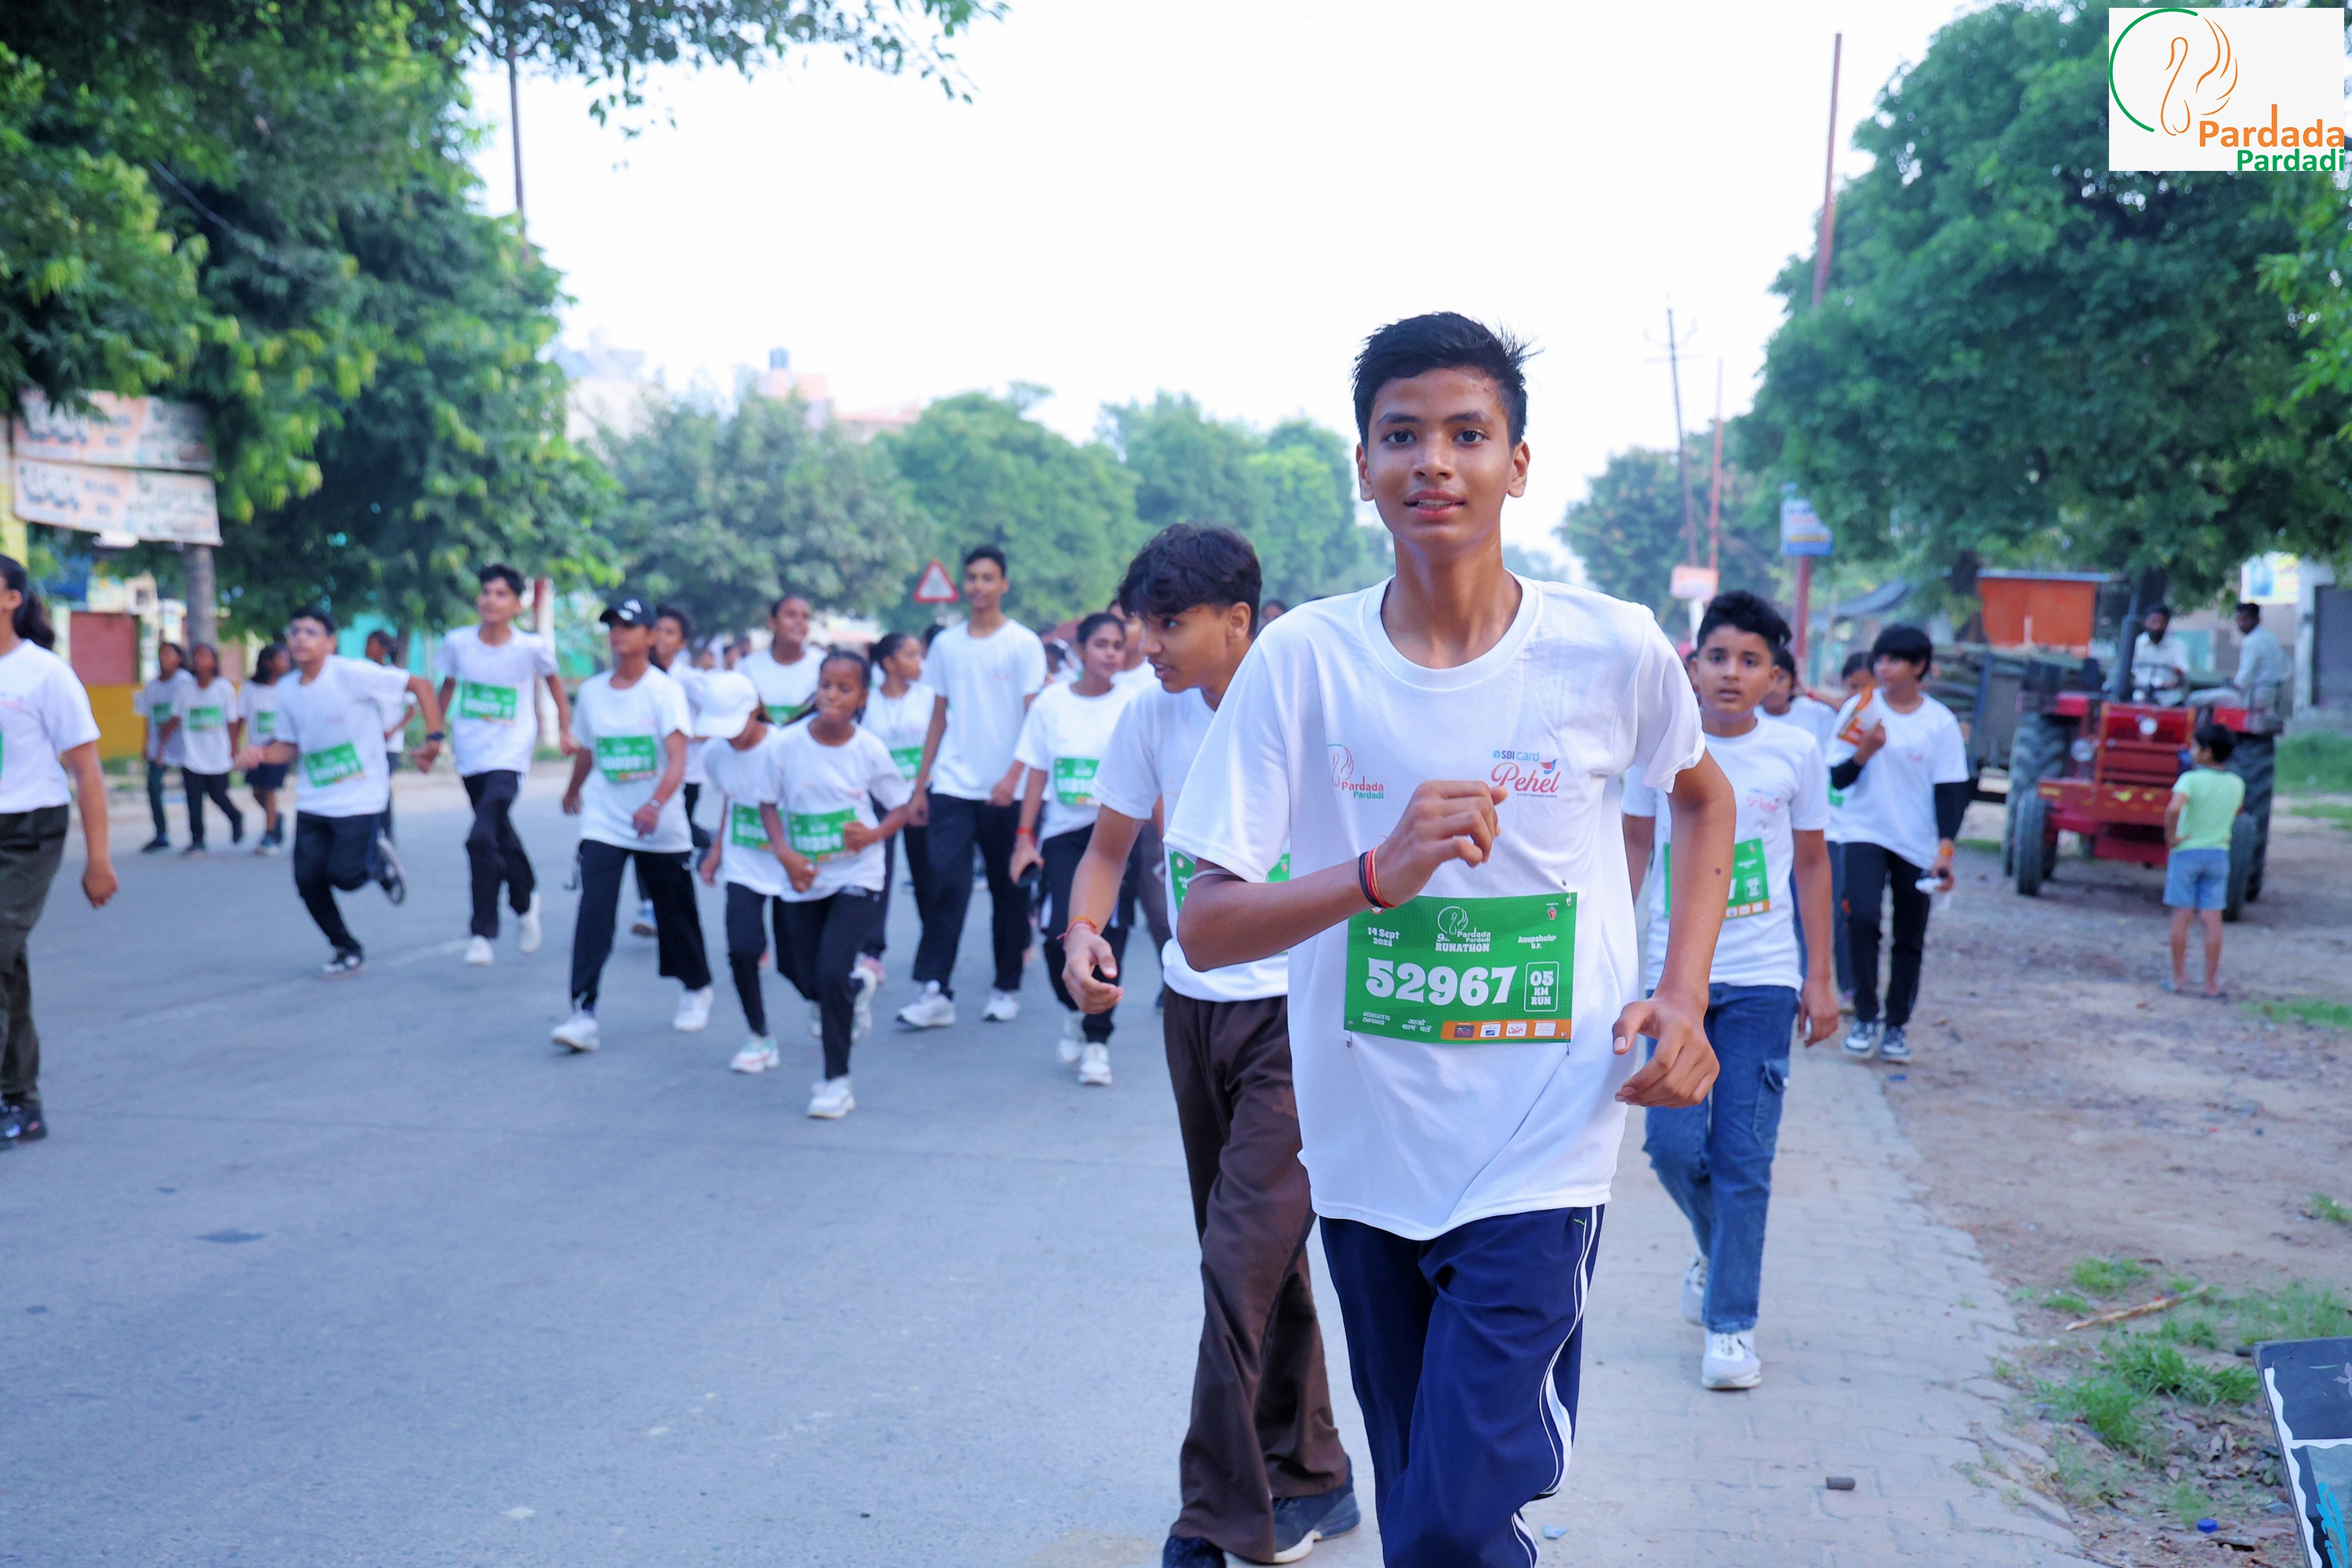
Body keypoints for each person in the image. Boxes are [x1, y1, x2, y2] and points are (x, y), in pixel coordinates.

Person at [1166, 314, 1734, 1566]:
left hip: (1543, 1143)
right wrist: (1378, 874)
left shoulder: (1609, 647)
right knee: (1424, 1506)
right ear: (1363, 466)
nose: (1434, 460)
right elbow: (1205, 925)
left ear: (1517, 465)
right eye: (1402, 435)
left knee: (1450, 1523)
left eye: (1468, 434)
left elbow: (1702, 797)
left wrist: (1683, 995)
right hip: (1365, 1149)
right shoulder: (1304, 663)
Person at [1062, 524, 1357, 1568]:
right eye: (1141, 622)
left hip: (1297, 1016)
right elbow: (1107, 849)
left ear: (1239, 620)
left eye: (1169, 623)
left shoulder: (1317, 711)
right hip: (1195, 1012)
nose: (1147, 643)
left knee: (1239, 1263)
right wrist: (1083, 931)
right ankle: (1315, 1473)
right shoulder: (1153, 714)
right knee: (1258, 1263)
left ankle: (1215, 1516)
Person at [1622, 591, 1838, 1393]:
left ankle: (1731, 1325)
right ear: (1692, 665)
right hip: (1672, 980)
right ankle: (1718, 1253)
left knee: (1743, 1156)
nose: (1731, 673)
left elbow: (1812, 863)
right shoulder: (1657, 750)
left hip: (1762, 981)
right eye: (1717, 656)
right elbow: (1632, 849)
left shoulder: (1796, 752)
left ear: (1776, 677)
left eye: (1751, 661)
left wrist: (1821, 977)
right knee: (1671, 1146)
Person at [235, 608, 445, 975]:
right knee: (307, 880)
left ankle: (377, 863)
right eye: (295, 631)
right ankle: (346, 947)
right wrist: (260, 754)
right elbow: (289, 744)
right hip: (315, 798)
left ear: (330, 643)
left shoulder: (351, 673)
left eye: (311, 632)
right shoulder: (287, 690)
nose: (301, 638)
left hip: (360, 796)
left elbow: (421, 686)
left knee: (346, 876)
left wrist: (434, 739)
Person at [552, 594, 713, 1051]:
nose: (618, 634)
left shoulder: (664, 691)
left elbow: (678, 760)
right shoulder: (593, 691)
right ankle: (582, 1011)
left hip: (659, 824)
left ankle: (695, 987)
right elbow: (588, 749)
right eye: (612, 626)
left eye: (628, 626)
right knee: (594, 910)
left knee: (675, 912)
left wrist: (655, 805)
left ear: (650, 636)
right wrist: (573, 789)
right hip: (605, 820)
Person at [899, 546, 1047, 1029]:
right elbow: (938, 716)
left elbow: (1035, 719)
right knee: (945, 882)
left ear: (1004, 584)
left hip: (1009, 790)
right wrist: (920, 787)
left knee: (1009, 891)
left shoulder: (1023, 643)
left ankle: (1007, 985)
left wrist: (1013, 778)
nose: (978, 586)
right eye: (972, 577)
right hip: (953, 784)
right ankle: (935, 988)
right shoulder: (946, 645)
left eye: (988, 578)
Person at [0, 554, 118, 1149]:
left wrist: (99, 860)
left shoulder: (44, 674)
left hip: (29, 831)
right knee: (6, 965)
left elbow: (87, 769)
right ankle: (21, 1102)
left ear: (11, 599)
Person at [764, 651, 914, 1116]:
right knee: (797, 969)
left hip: (857, 874)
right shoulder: (785, 744)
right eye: (826, 685)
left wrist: (872, 835)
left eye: (844, 689)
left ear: (861, 698)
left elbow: (901, 807)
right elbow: (767, 803)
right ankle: (852, 990)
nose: (832, 695)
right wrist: (785, 854)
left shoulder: (868, 749)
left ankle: (836, 1082)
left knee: (830, 972)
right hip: (804, 875)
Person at [1008, 611, 1141, 1085]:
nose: (1111, 654)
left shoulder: (1134, 705)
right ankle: (1073, 1007)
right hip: (1064, 837)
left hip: (1119, 837)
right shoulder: (1052, 704)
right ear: (1081, 650)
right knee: (1055, 936)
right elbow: (1036, 773)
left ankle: (1098, 1041)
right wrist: (1024, 838)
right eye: (1101, 644)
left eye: (1118, 646)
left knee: (1111, 934)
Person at [1828, 624, 1969, 1064]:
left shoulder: (1939, 723)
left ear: (1919, 666)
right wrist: (1864, 752)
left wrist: (1945, 848)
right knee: (1862, 918)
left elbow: (1951, 790)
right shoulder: (1860, 710)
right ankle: (1865, 1015)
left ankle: (1896, 1025)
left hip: (1916, 841)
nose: (1882, 667)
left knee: (1910, 935)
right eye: (1880, 659)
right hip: (1864, 831)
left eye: (1893, 660)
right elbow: (1837, 777)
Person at [436, 564, 570, 967]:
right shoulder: (458, 643)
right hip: (471, 754)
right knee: (499, 833)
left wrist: (566, 729)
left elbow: (554, 681)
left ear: (516, 604)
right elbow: (447, 687)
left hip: (510, 755)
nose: (490, 600)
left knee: (480, 838)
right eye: (486, 592)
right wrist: (433, 737)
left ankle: (482, 932)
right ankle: (526, 901)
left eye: (501, 594)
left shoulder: (530, 647)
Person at [691, 670, 793, 1075]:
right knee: (742, 949)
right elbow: (732, 799)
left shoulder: (786, 748)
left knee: (796, 964)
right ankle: (759, 1035)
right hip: (744, 863)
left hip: (789, 865)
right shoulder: (715, 754)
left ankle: (827, 1000)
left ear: (755, 711)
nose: (729, 737)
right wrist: (716, 850)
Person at [858, 632, 938, 992]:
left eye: (919, 655)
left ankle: (933, 953)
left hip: (922, 796)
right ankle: (871, 951)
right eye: (910, 655)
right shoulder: (866, 701)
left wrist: (922, 790)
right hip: (879, 800)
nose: (919, 662)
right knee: (879, 873)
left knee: (928, 875)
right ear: (888, 663)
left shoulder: (929, 698)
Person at [637, 604, 711, 937]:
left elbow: (719, 714)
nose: (661, 639)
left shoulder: (689, 680)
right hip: (649, 771)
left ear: (682, 643)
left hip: (687, 772)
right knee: (642, 831)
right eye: (658, 631)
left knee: (673, 831)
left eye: (670, 633)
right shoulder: (640, 677)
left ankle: (710, 841)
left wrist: (690, 735)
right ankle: (648, 904)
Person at [2164, 722, 2244, 999]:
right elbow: (2235, 812)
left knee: (2182, 915)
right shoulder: (2236, 783)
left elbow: (2174, 809)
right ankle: (2211, 984)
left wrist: (2172, 837)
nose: (2191, 751)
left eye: (2196, 747)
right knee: (2212, 918)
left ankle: (2178, 979)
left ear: (2207, 753)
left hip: (2187, 852)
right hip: (2218, 854)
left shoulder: (2190, 780)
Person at [176, 644, 245, 856]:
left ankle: (235, 816)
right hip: (191, 753)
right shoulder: (185, 689)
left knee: (218, 794)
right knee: (193, 798)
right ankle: (197, 840)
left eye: (206, 656)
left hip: (217, 752)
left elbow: (232, 721)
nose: (200, 660)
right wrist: (160, 747)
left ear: (214, 662)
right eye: (197, 656)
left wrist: (234, 749)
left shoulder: (224, 688)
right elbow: (176, 717)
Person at [362, 629, 418, 847]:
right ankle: (371, 829)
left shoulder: (396, 676)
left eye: (372, 644)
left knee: (382, 783)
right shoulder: (362, 674)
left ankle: (385, 829)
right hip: (366, 741)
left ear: (383, 649)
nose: (367, 648)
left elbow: (412, 711)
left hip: (389, 743)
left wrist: (393, 730)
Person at [134, 641, 191, 852]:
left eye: (169, 653)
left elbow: (178, 716)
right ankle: (161, 833)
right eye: (162, 653)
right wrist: (147, 744)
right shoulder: (152, 686)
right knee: (153, 785)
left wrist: (162, 744)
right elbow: (149, 717)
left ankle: (197, 836)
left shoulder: (184, 681)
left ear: (179, 657)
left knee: (193, 789)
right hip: (159, 744)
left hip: (182, 743)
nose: (164, 658)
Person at [241, 642, 292, 855]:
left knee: (270, 789)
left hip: (279, 748)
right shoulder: (251, 688)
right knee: (257, 791)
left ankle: (269, 834)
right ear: (268, 663)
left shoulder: (289, 687)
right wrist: (235, 748)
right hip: (257, 749)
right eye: (282, 659)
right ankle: (276, 817)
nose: (286, 663)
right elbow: (241, 717)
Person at [744, 593, 821, 724]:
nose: (799, 622)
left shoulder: (823, 665)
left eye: (805, 617)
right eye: (791, 615)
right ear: (772, 622)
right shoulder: (748, 667)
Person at [2129, 604, 2191, 705]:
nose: (2157, 626)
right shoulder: (2137, 643)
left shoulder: (2178, 645)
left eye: (2161, 622)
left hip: (2170, 698)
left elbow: (2183, 669)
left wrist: (2177, 672)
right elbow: (2133, 670)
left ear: (2167, 624)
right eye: (2153, 621)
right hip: (2141, 695)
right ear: (2145, 623)